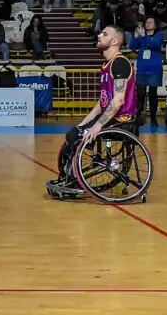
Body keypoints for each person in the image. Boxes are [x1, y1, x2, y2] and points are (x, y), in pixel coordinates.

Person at [48, 25, 138, 197]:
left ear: (115, 41)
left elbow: (118, 101)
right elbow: (101, 103)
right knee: (74, 133)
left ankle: (74, 181)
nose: (99, 35)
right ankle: (71, 178)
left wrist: (96, 126)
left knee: (77, 136)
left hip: (123, 121)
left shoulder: (120, 63)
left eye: (104, 34)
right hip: (111, 119)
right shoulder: (106, 65)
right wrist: (83, 123)